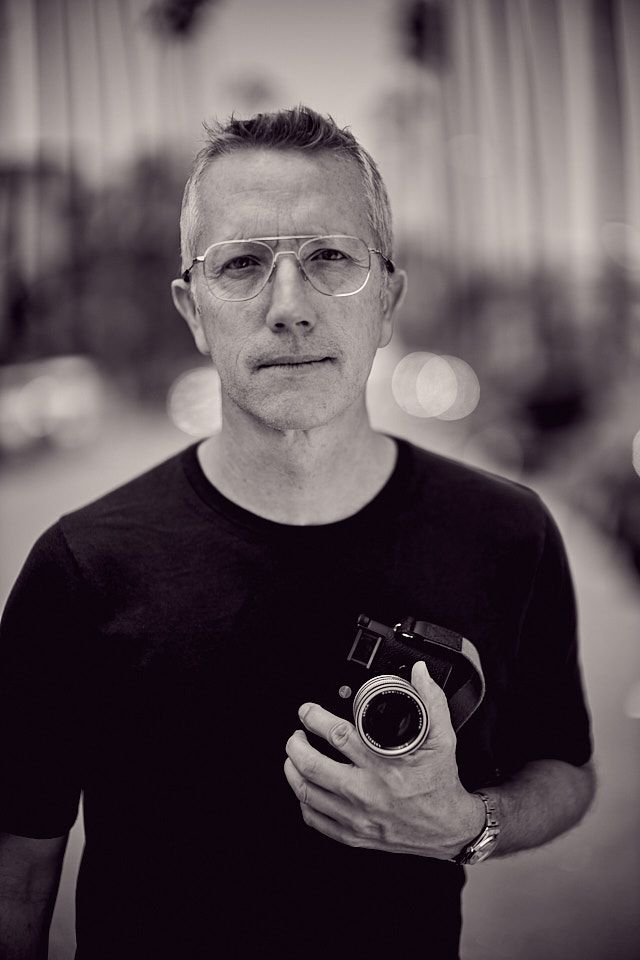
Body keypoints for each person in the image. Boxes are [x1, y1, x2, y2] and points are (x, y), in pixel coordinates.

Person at [0, 105, 594, 960]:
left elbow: (565, 771)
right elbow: (20, 866)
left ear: (388, 298)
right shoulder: (82, 569)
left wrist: (469, 825)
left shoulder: (507, 532)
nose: (290, 308)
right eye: (241, 264)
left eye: (329, 259)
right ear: (194, 309)